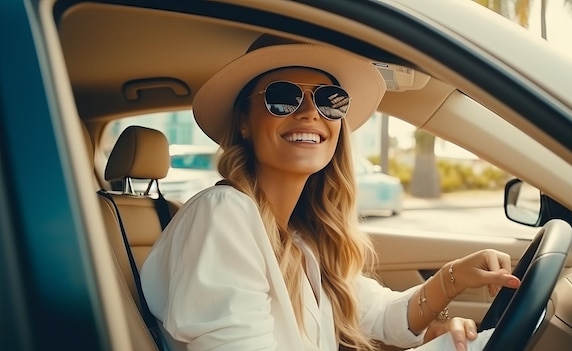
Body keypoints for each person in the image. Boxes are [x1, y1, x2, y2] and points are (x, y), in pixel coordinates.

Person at [140, 34, 521, 351]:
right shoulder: (222, 214)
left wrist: (455, 276)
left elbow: (380, 315)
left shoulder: (301, 238)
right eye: (283, 97)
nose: (310, 112)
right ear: (244, 123)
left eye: (329, 101)